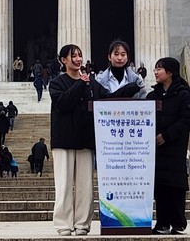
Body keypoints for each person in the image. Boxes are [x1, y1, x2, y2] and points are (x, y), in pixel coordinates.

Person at [49, 43, 142, 237]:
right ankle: (64, 224)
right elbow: (63, 103)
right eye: (73, 56)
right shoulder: (57, 83)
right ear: (63, 60)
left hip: (86, 140)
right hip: (64, 140)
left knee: (85, 186)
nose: (78, 59)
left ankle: (83, 223)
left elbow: (107, 99)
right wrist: (81, 83)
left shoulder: (92, 83)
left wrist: (127, 90)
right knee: (64, 184)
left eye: (79, 55)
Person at [146, 56, 190, 235]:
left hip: (174, 148)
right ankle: (162, 223)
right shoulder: (152, 96)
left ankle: (178, 222)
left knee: (176, 187)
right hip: (156, 150)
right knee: (160, 187)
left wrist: (166, 136)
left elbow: (187, 120)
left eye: (159, 68)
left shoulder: (183, 95)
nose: (155, 72)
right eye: (156, 68)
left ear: (170, 72)